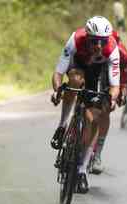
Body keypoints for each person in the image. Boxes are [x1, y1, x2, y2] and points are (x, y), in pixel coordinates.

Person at [50, 16, 120, 193]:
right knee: (74, 80)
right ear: (87, 37)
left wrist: (110, 99)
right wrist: (57, 90)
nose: (98, 45)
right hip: (78, 66)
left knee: (94, 118)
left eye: (102, 41)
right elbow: (58, 72)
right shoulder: (76, 39)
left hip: (96, 74)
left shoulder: (111, 49)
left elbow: (114, 86)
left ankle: (81, 171)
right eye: (95, 40)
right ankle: (62, 125)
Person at [90, 30, 127, 174]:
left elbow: (123, 81)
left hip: (111, 77)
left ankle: (97, 155)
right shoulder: (93, 47)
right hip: (94, 70)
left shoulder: (123, 54)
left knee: (105, 110)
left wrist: (122, 93)